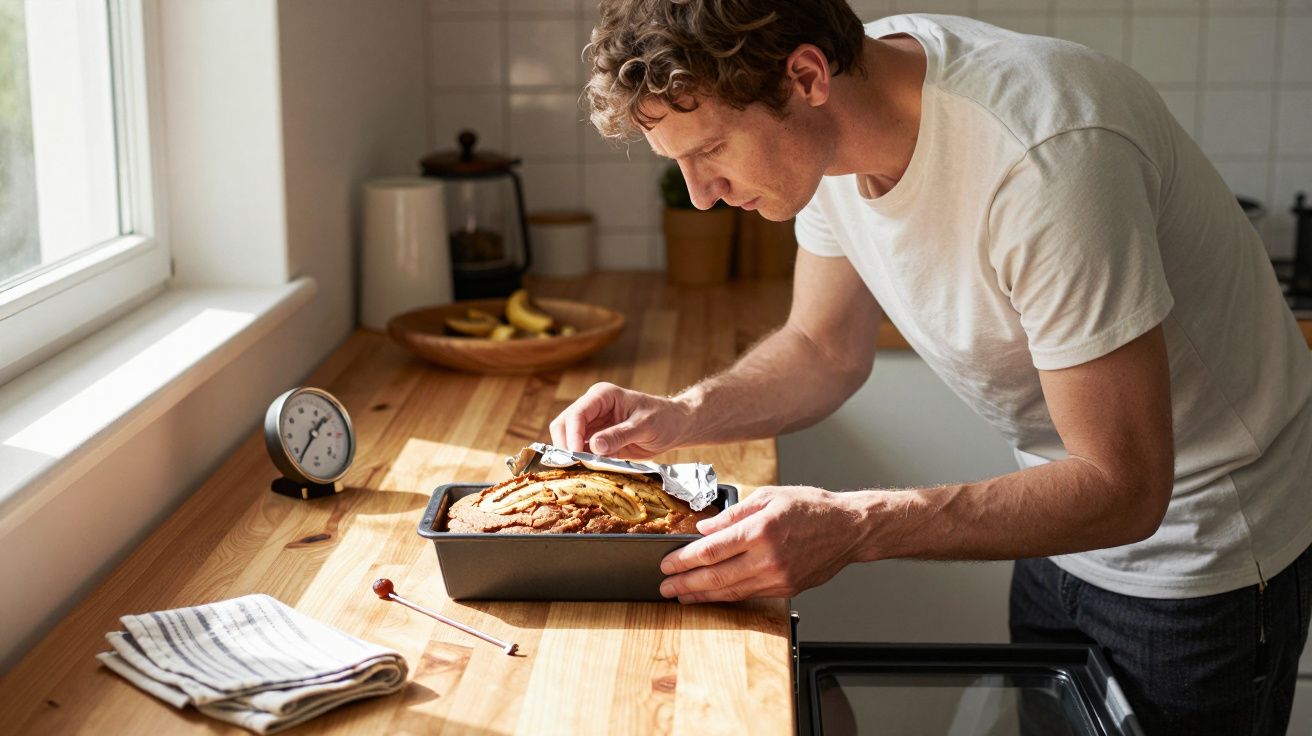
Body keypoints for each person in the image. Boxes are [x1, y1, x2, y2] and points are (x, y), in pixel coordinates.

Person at [553, 1, 1312, 733]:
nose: (701, 195)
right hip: (1060, 519)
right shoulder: (823, 132)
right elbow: (822, 349)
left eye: (710, 149)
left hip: (1203, 555)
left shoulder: (1045, 157)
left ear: (807, 77)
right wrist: (682, 414)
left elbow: (1127, 487)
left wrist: (855, 526)